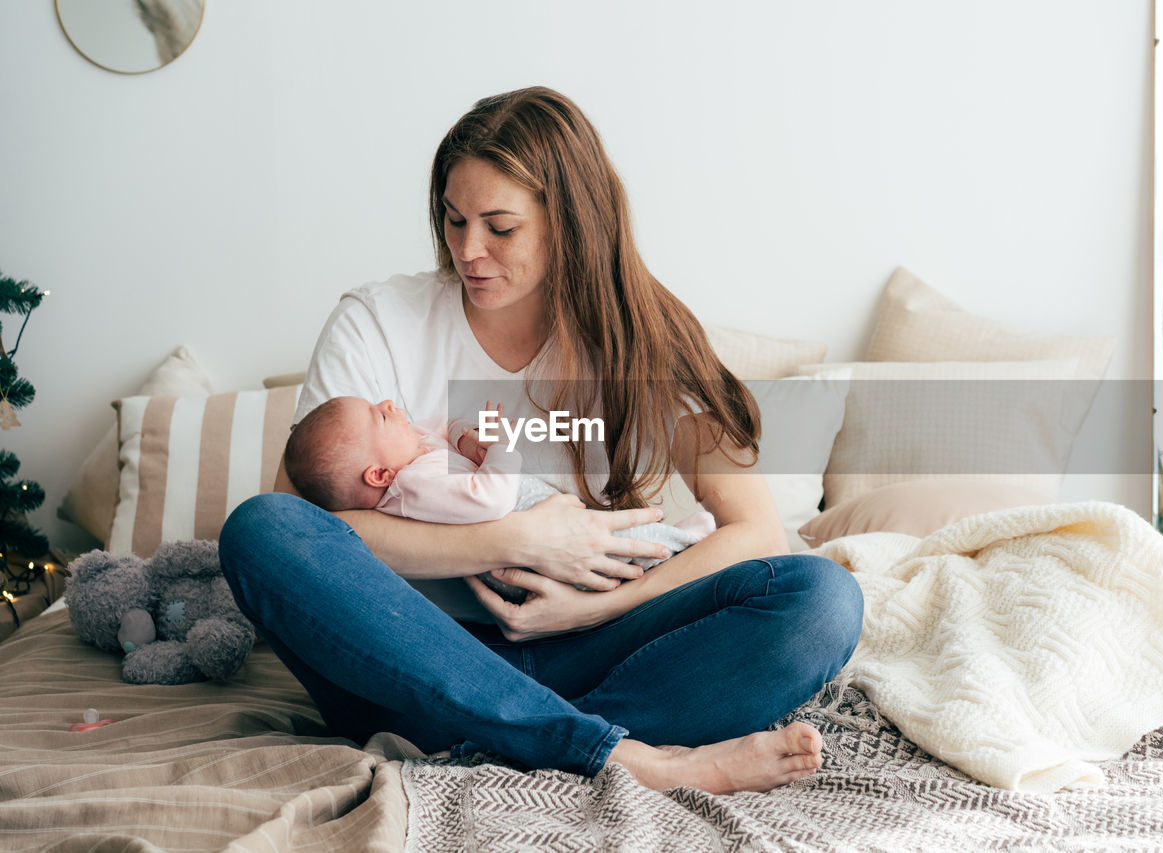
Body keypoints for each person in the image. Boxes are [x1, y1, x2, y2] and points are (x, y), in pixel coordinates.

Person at [218, 86, 864, 794]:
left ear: (570, 224)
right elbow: (311, 527)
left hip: (592, 649)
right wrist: (513, 540)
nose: (468, 250)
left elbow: (756, 530)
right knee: (258, 529)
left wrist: (594, 606)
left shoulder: (642, 339)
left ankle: (499, 740)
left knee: (822, 599)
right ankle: (627, 755)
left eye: (500, 226)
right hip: (408, 656)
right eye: (455, 219)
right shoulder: (378, 321)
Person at [283, 394, 717, 599]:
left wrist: (462, 437)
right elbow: (489, 499)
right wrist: (501, 445)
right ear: (378, 474)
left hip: (548, 529)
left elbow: (436, 427)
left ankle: (676, 539)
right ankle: (687, 547)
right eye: (381, 416)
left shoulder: (409, 462)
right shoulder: (414, 485)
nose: (391, 404)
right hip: (531, 535)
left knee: (621, 542)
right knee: (625, 552)